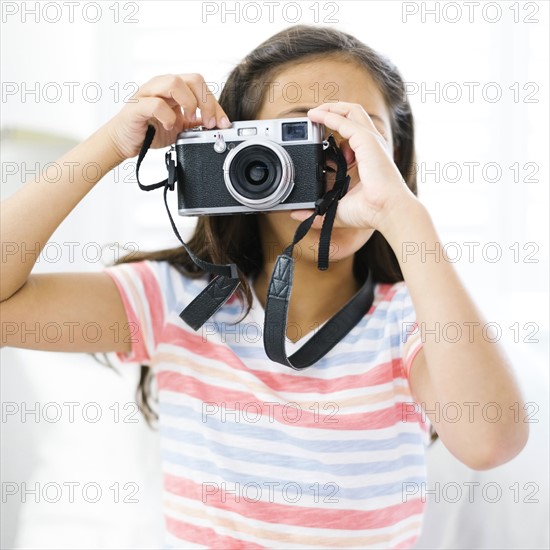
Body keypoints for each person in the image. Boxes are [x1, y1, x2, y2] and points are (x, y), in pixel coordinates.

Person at [1, 25, 528, 549]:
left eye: (357, 139)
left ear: (395, 162)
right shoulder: (174, 303)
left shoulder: (412, 323)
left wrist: (404, 216)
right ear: (238, 156)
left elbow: (490, 441)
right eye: (297, 138)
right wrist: (110, 144)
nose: (329, 167)